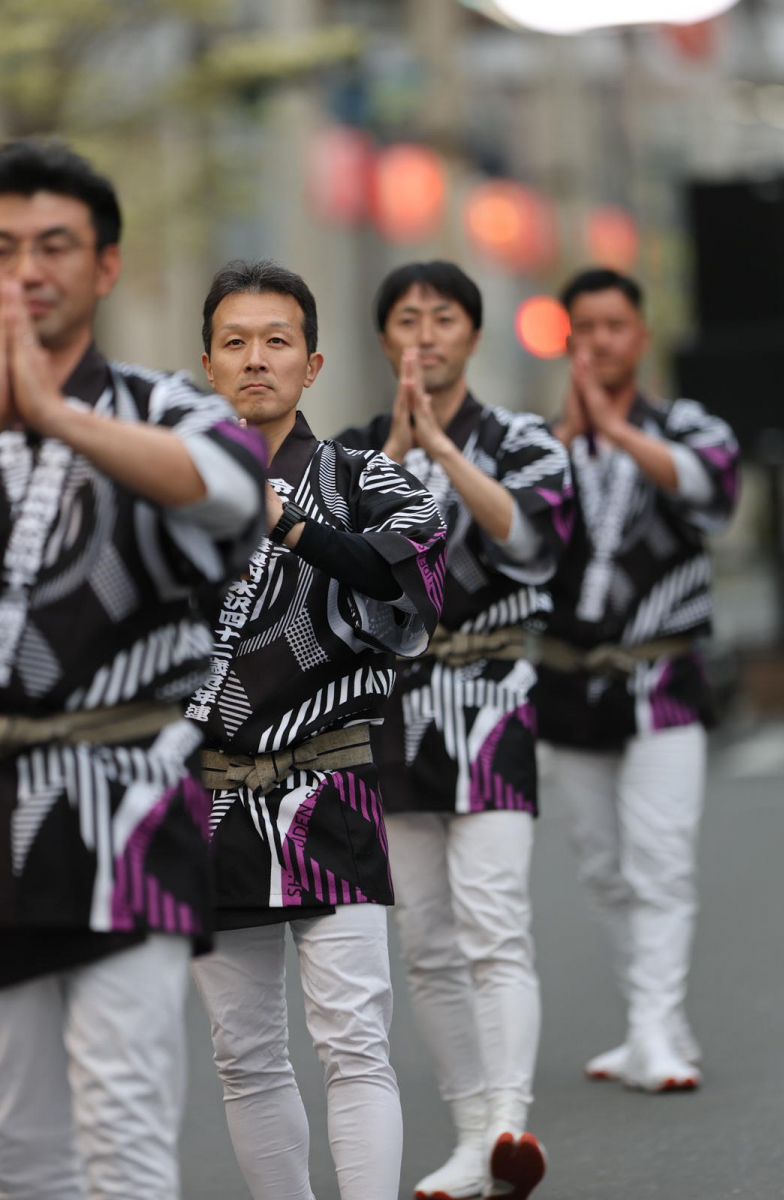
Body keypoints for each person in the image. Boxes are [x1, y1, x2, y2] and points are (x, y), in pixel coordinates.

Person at [0, 140, 265, 1199]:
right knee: (19, 1149)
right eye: (6, 247)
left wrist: (58, 417)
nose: (27, 269)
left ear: (105, 267)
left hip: (125, 815)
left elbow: (233, 490)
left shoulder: (162, 407)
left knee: (122, 1128)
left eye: (55, 245)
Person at [187, 258, 446, 1200]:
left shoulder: (358, 476)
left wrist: (288, 526)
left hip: (328, 783)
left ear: (313, 362)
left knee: (353, 1041)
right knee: (243, 1051)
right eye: (236, 342)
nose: (256, 359)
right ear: (207, 363)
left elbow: (408, 570)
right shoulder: (166, 490)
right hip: (211, 797)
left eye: (277, 341)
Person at [338, 261, 572, 1200]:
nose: (423, 336)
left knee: (493, 918)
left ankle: (511, 1121)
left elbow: (528, 539)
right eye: (405, 320)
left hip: (491, 702)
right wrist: (399, 453)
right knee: (426, 938)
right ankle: (473, 1134)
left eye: (441, 319)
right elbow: (346, 568)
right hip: (393, 713)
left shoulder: (521, 439)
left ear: (473, 334)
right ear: (383, 339)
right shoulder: (353, 454)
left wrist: (443, 447)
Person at [539, 267, 740, 1093]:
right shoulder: (541, 441)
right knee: (600, 865)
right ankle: (649, 1020)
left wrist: (616, 434)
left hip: (660, 676)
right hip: (565, 682)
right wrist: (567, 436)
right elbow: (508, 531)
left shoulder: (685, 424)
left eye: (612, 326)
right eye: (581, 328)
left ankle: (654, 1030)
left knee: (660, 858)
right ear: (566, 339)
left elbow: (712, 492)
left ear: (640, 335)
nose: (597, 342)